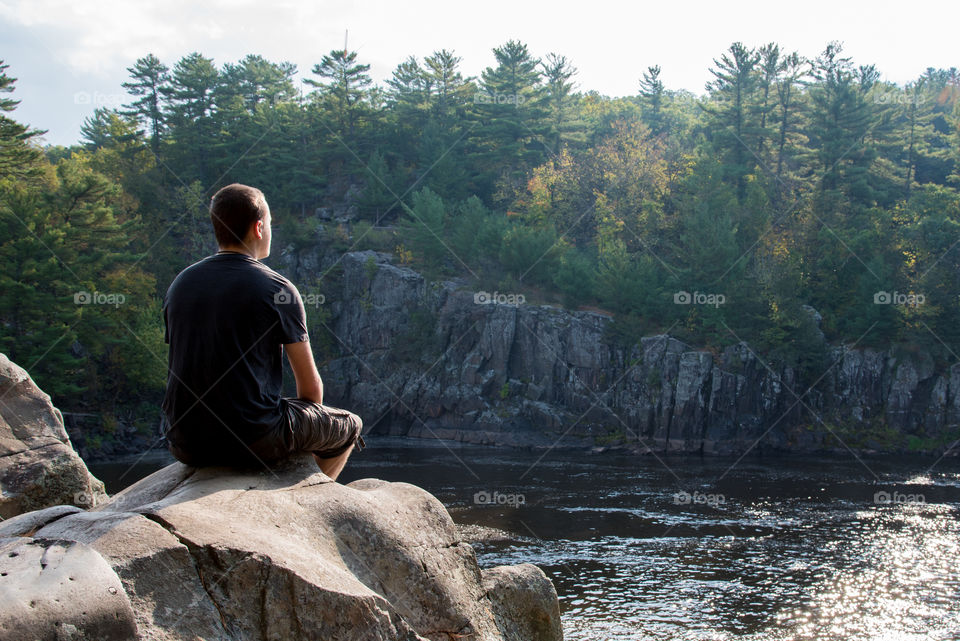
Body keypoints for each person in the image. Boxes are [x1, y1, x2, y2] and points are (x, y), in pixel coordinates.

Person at [161, 183, 363, 480]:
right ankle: (310, 497)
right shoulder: (277, 289)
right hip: (253, 439)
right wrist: (297, 431)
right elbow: (310, 389)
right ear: (258, 228)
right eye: (269, 223)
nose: (270, 229)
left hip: (185, 441)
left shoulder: (180, 284)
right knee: (350, 425)